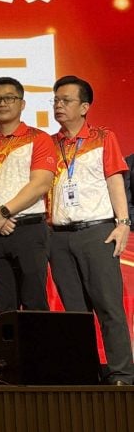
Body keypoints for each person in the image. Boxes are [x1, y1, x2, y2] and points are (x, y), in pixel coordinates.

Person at [47, 75, 134, 385]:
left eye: (66, 100)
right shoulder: (48, 144)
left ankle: (121, 374)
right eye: (56, 100)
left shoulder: (103, 137)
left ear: (84, 107)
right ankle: (84, 374)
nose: (59, 105)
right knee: (75, 314)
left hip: (97, 233)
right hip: (58, 237)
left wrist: (123, 223)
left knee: (109, 307)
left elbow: (115, 180)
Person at [0, 77, 56, 313]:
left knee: (35, 304)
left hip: (29, 231)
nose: (2, 103)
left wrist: (3, 212)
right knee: (4, 310)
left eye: (9, 98)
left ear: (22, 104)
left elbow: (40, 184)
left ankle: (38, 341)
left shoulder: (39, 139)